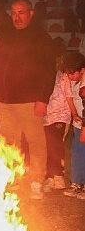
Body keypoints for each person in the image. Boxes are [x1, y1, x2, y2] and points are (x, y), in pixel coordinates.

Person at [0, 0, 57, 200]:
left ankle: (36, 181)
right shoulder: (6, 35)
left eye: (21, 12)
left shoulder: (41, 38)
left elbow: (48, 72)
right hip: (5, 100)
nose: (17, 17)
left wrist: (42, 99)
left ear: (31, 13)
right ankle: (12, 177)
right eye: (14, 13)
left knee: (35, 141)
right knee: (9, 142)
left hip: (29, 100)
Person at [43, 52, 84, 193]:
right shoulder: (62, 75)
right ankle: (65, 179)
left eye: (72, 73)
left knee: (57, 145)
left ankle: (59, 177)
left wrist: (74, 114)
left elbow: (69, 97)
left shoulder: (70, 78)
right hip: (55, 115)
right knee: (63, 148)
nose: (69, 75)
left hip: (64, 116)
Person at [62, 53, 85, 199]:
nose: (70, 76)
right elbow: (68, 96)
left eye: (73, 73)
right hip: (78, 123)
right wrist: (74, 114)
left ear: (82, 70)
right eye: (68, 73)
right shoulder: (68, 78)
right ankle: (76, 183)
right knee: (77, 152)